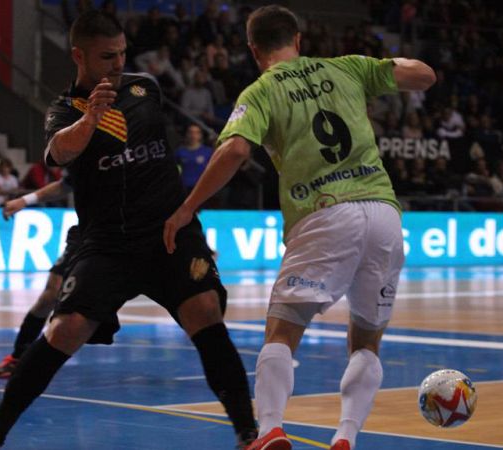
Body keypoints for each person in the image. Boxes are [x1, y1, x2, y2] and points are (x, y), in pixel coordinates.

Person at [0, 11, 257, 450]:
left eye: (122, 53)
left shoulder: (146, 88)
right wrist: (92, 118)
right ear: (79, 56)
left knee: (205, 313)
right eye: (107, 57)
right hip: (107, 243)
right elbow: (61, 155)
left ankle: (247, 431)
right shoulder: (64, 110)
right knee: (63, 329)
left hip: (168, 232)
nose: (118, 63)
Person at [163, 6, 435, 450]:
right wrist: (386, 69)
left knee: (283, 331)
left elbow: (233, 152)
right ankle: (346, 436)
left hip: (324, 213)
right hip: (384, 214)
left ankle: (270, 429)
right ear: (299, 40)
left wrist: (187, 208)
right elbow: (423, 76)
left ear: (254, 50)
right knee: (366, 340)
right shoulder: (347, 67)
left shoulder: (262, 89)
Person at [0, 177, 77, 379]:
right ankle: (19, 357)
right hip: (88, 233)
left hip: (129, 233)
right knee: (50, 294)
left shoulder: (139, 156)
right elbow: (65, 185)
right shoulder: (90, 155)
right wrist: (24, 200)